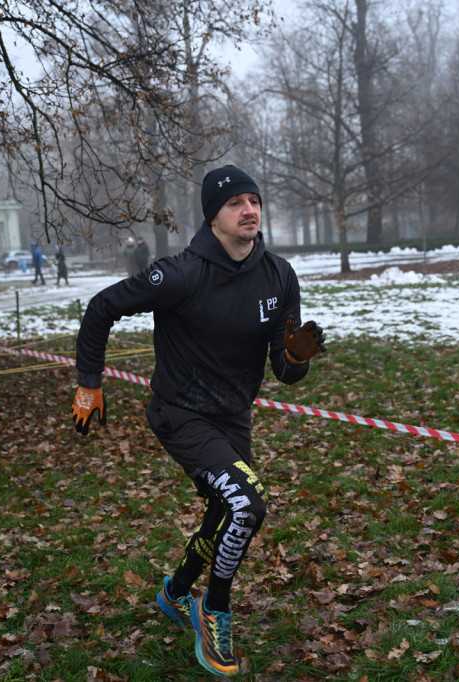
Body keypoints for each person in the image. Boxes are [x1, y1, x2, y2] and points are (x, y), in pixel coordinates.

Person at [70, 164, 326, 676]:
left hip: (234, 417)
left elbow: (283, 370)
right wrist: (89, 383)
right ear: (214, 216)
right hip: (181, 413)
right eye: (235, 203)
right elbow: (102, 308)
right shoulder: (181, 273)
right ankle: (214, 609)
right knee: (247, 505)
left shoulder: (279, 275)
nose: (249, 210)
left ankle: (175, 592)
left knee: (224, 511)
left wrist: (296, 358)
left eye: (253, 201)